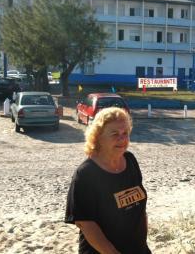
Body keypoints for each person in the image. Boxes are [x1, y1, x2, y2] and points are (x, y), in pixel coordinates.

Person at [65, 107, 151, 254]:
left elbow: (139, 208)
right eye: (114, 134)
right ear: (98, 136)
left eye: (125, 133)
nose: (122, 139)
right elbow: (85, 223)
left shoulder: (130, 160)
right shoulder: (86, 173)